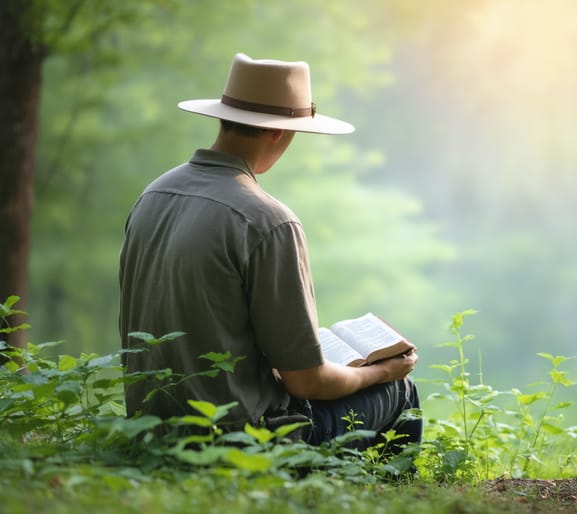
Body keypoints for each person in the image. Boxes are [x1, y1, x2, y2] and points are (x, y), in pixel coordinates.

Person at [118, 53, 421, 452]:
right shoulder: (268, 220)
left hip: (151, 430)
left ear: (224, 117)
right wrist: (382, 372)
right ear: (279, 133)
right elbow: (307, 383)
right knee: (402, 392)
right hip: (242, 441)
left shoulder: (153, 194)